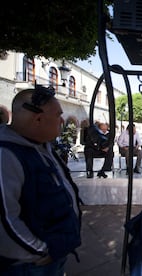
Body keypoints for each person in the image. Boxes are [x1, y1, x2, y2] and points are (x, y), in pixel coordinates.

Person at [0, 86, 81, 275]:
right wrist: (42, 250)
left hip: (52, 255)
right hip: (30, 265)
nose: (62, 121)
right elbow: (5, 220)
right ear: (37, 119)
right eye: (58, 115)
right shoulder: (6, 155)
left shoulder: (42, 146)